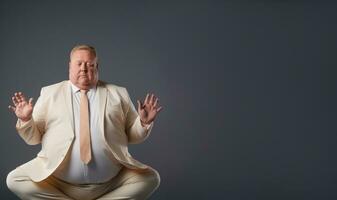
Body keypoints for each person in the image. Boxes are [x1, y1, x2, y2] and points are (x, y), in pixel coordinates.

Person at [6, 44, 163, 200]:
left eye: (90, 64)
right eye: (79, 63)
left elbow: (133, 136)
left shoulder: (118, 93)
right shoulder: (49, 93)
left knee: (150, 178)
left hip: (111, 183)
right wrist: (26, 119)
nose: (84, 68)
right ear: (70, 66)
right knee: (15, 180)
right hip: (58, 183)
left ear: (97, 66)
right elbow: (33, 139)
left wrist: (143, 123)